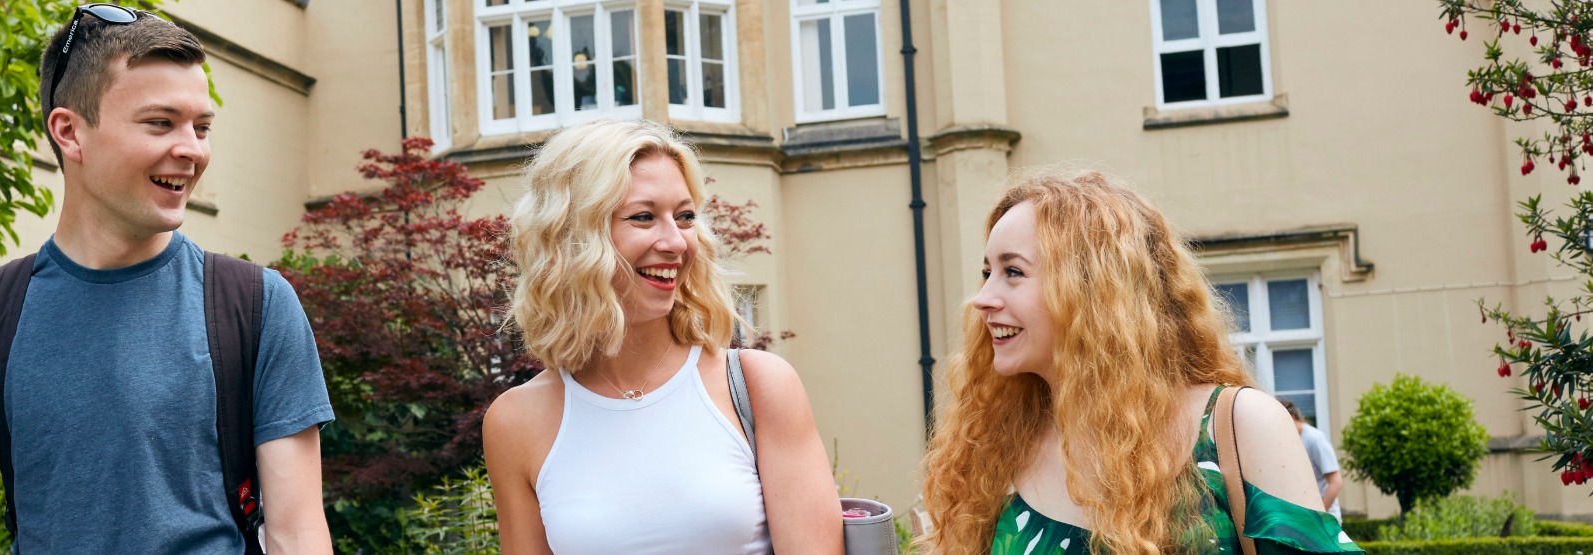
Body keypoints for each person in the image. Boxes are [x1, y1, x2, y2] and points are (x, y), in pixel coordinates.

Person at [0, 5, 334, 553]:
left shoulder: (255, 305)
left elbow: (297, 536)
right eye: (161, 122)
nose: (193, 150)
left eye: (201, 127)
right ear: (70, 133)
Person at [918, 169, 1361, 554]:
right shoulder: (996, 449)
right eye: (986, 272)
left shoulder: (1238, 425)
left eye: (1012, 271)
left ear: (1094, 290)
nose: (983, 299)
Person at [483, 118, 844, 554]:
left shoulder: (758, 387)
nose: (676, 241)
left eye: (686, 216)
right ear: (572, 238)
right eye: (643, 217)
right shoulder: (515, 421)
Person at [1281, 398, 1346, 523]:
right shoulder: (1288, 440)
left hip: (1324, 520)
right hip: (1304, 519)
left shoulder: (1315, 439)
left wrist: (1319, 517)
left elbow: (1336, 482)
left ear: (1292, 417)